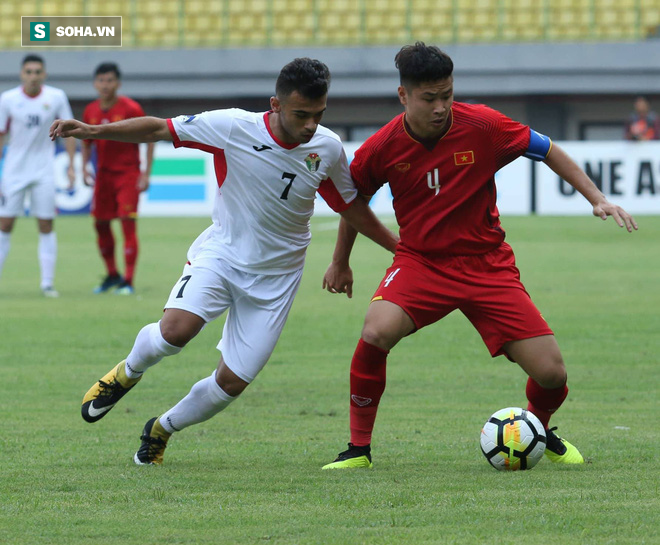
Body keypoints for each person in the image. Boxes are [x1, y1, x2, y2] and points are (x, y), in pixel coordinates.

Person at [50, 58, 399, 465]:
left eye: (318, 115)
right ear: (275, 104)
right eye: (300, 115)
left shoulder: (327, 148)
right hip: (222, 255)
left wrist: (383, 249)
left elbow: (350, 205)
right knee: (175, 332)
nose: (310, 125)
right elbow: (160, 128)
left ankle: (162, 428)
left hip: (277, 279)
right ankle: (125, 373)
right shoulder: (233, 126)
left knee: (232, 381)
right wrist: (95, 131)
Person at [321, 43, 638, 470]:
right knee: (376, 332)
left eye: (447, 95)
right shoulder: (382, 147)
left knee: (552, 375)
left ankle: (536, 431)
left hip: (487, 265)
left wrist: (596, 198)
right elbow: (352, 202)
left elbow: (547, 149)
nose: (440, 107)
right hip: (421, 264)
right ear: (404, 96)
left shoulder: (483, 126)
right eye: (429, 98)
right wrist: (341, 261)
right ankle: (358, 449)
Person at [0, 54, 76, 297]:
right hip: (14, 170)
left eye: (37, 72)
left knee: (45, 224)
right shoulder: (8, 99)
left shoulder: (56, 97)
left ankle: (47, 283)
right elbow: (2, 135)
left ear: (44, 74)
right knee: (5, 224)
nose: (33, 76)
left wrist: (72, 165)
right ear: (22, 74)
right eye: (29, 72)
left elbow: (69, 131)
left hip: (44, 170)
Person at [82, 62, 154, 295]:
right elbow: (86, 142)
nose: (105, 85)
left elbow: (150, 136)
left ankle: (128, 281)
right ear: (95, 83)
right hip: (103, 176)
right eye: (101, 80)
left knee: (127, 222)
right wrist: (84, 167)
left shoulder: (131, 108)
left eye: (110, 80)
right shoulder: (90, 111)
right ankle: (112, 275)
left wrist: (146, 172)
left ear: (118, 83)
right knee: (100, 224)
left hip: (127, 174)